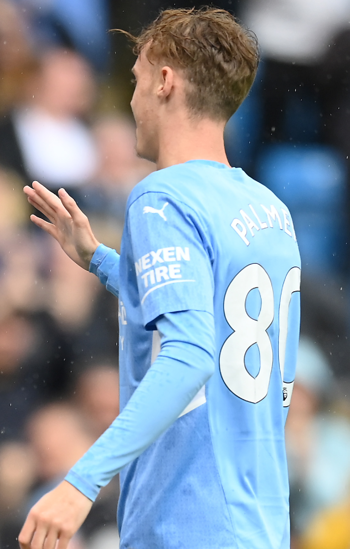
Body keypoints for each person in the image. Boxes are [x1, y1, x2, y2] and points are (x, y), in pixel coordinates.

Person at [17, 8, 300, 549]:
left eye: (136, 79)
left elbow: (192, 351)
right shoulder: (271, 209)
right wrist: (101, 260)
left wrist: (79, 482)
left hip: (187, 519)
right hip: (259, 522)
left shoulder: (162, 196)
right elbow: (221, 325)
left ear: (165, 81)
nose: (131, 100)